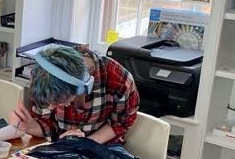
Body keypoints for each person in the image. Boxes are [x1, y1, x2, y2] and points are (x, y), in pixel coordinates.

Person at [9, 43, 139, 145]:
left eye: (58, 101)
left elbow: (120, 124)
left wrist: (83, 143)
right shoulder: (42, 77)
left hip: (101, 147)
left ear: (82, 88)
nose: (51, 107)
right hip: (59, 145)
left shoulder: (120, 80)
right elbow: (50, 124)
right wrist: (30, 126)